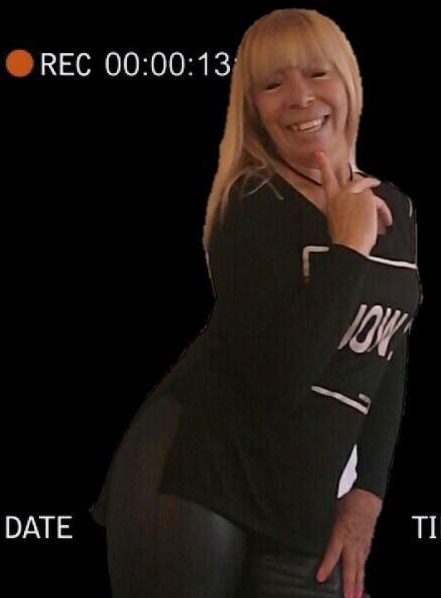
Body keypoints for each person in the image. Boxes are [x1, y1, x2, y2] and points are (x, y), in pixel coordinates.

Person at [90, 8, 423, 598]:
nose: (299, 97)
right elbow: (283, 378)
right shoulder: (251, 204)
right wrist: (347, 248)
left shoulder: (393, 207)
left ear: (348, 80)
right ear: (254, 107)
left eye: (316, 73)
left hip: (294, 497)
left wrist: (369, 491)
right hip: (200, 474)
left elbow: (384, 354)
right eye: (272, 83)